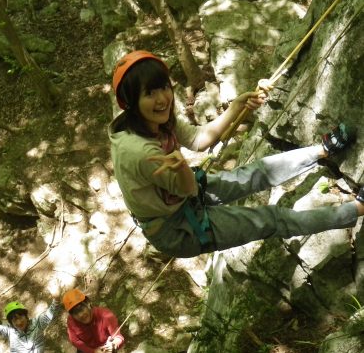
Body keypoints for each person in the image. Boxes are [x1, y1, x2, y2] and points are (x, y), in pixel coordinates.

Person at [109, 50, 364, 258]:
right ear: (130, 102)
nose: (162, 98)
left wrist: (238, 105)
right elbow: (186, 188)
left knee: (257, 172)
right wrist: (181, 169)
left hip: (183, 198)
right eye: (149, 93)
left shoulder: (153, 120)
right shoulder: (139, 153)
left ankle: (323, 150)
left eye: (163, 87)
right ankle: (357, 209)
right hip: (178, 229)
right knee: (271, 219)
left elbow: (199, 139)